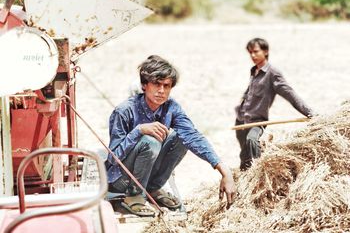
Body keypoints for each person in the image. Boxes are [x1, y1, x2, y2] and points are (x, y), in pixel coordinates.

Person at [105, 55, 235, 217]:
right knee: (150, 141)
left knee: (182, 137)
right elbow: (112, 158)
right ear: (144, 85)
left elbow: (193, 136)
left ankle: (153, 187)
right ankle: (135, 195)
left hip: (148, 175)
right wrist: (138, 131)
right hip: (122, 180)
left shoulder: (171, 107)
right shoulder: (124, 110)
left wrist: (224, 170)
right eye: (156, 84)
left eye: (166, 86)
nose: (161, 91)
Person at [235, 38, 313, 171]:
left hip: (257, 121)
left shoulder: (272, 74)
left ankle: (258, 175)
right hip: (241, 122)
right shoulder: (254, 71)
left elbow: (290, 94)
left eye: (256, 51)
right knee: (245, 157)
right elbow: (249, 93)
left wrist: (311, 113)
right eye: (250, 53)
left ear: (266, 51)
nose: (252, 56)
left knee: (252, 141)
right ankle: (244, 179)